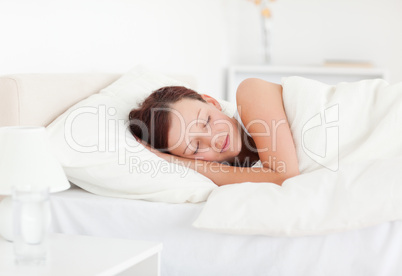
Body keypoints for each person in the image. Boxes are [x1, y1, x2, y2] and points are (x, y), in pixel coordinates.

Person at [129, 78, 300, 186]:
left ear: (212, 102)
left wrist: (171, 159)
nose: (215, 140)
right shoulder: (240, 175)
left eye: (206, 122)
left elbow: (284, 176)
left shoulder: (251, 92)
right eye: (195, 148)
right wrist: (172, 161)